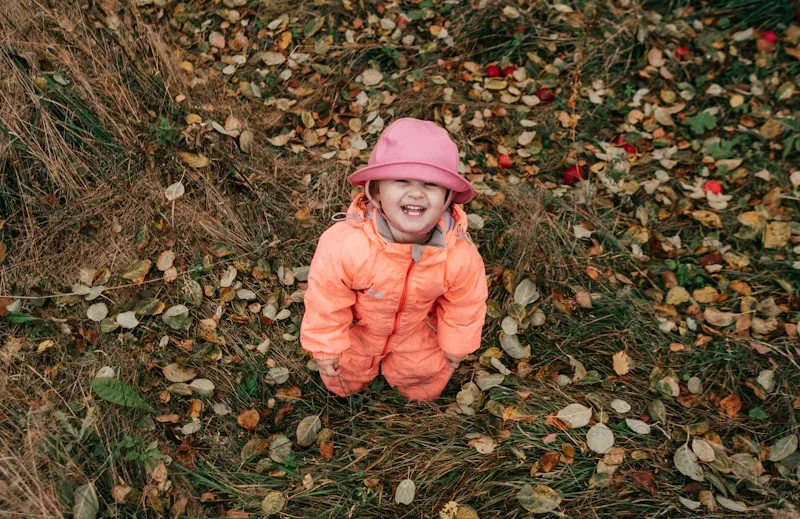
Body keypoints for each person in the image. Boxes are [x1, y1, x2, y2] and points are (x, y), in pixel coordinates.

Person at [300, 118, 488, 401]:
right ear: (375, 192)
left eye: (431, 184)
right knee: (343, 373)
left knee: (424, 375)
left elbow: (465, 303)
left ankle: (414, 394)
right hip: (360, 325)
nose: (416, 192)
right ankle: (346, 388)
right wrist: (326, 346)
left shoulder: (458, 254)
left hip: (416, 325)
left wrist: (456, 345)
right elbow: (326, 299)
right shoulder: (345, 245)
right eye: (401, 181)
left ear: (448, 199)